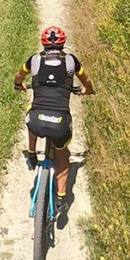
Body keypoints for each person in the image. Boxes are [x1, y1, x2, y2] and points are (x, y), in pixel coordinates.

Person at [13, 26, 95, 214]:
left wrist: (19, 84)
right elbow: (87, 81)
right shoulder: (72, 61)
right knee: (62, 154)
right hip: (60, 123)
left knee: (31, 113)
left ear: (43, 43)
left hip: (37, 120)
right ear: (63, 44)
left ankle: (32, 153)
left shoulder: (33, 60)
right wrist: (87, 91)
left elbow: (19, 76)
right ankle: (60, 198)